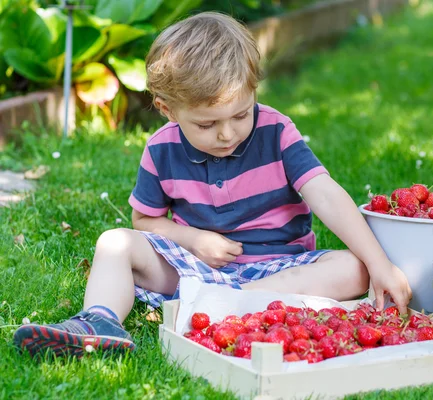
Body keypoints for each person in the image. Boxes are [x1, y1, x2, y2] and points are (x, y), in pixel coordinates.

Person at [13, 11, 412, 358]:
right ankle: (98, 322)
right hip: (200, 271)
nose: (227, 134)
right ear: (168, 110)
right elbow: (145, 222)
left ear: (254, 89)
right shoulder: (161, 150)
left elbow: (324, 193)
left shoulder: (276, 132)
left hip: (281, 269)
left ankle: (224, 308)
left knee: (352, 268)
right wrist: (193, 240)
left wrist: (379, 264)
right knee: (114, 243)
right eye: (207, 124)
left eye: (240, 114)